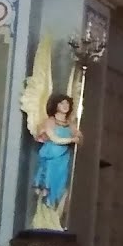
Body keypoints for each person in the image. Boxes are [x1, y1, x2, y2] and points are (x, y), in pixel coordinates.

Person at [32, 94, 80, 231]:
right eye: (61, 103)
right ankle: (46, 220)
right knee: (49, 187)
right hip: (51, 158)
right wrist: (71, 140)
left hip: (63, 159)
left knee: (62, 187)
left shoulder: (70, 124)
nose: (65, 106)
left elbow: (79, 136)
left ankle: (56, 219)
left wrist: (77, 137)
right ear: (55, 106)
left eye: (67, 103)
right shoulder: (50, 121)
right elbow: (55, 138)